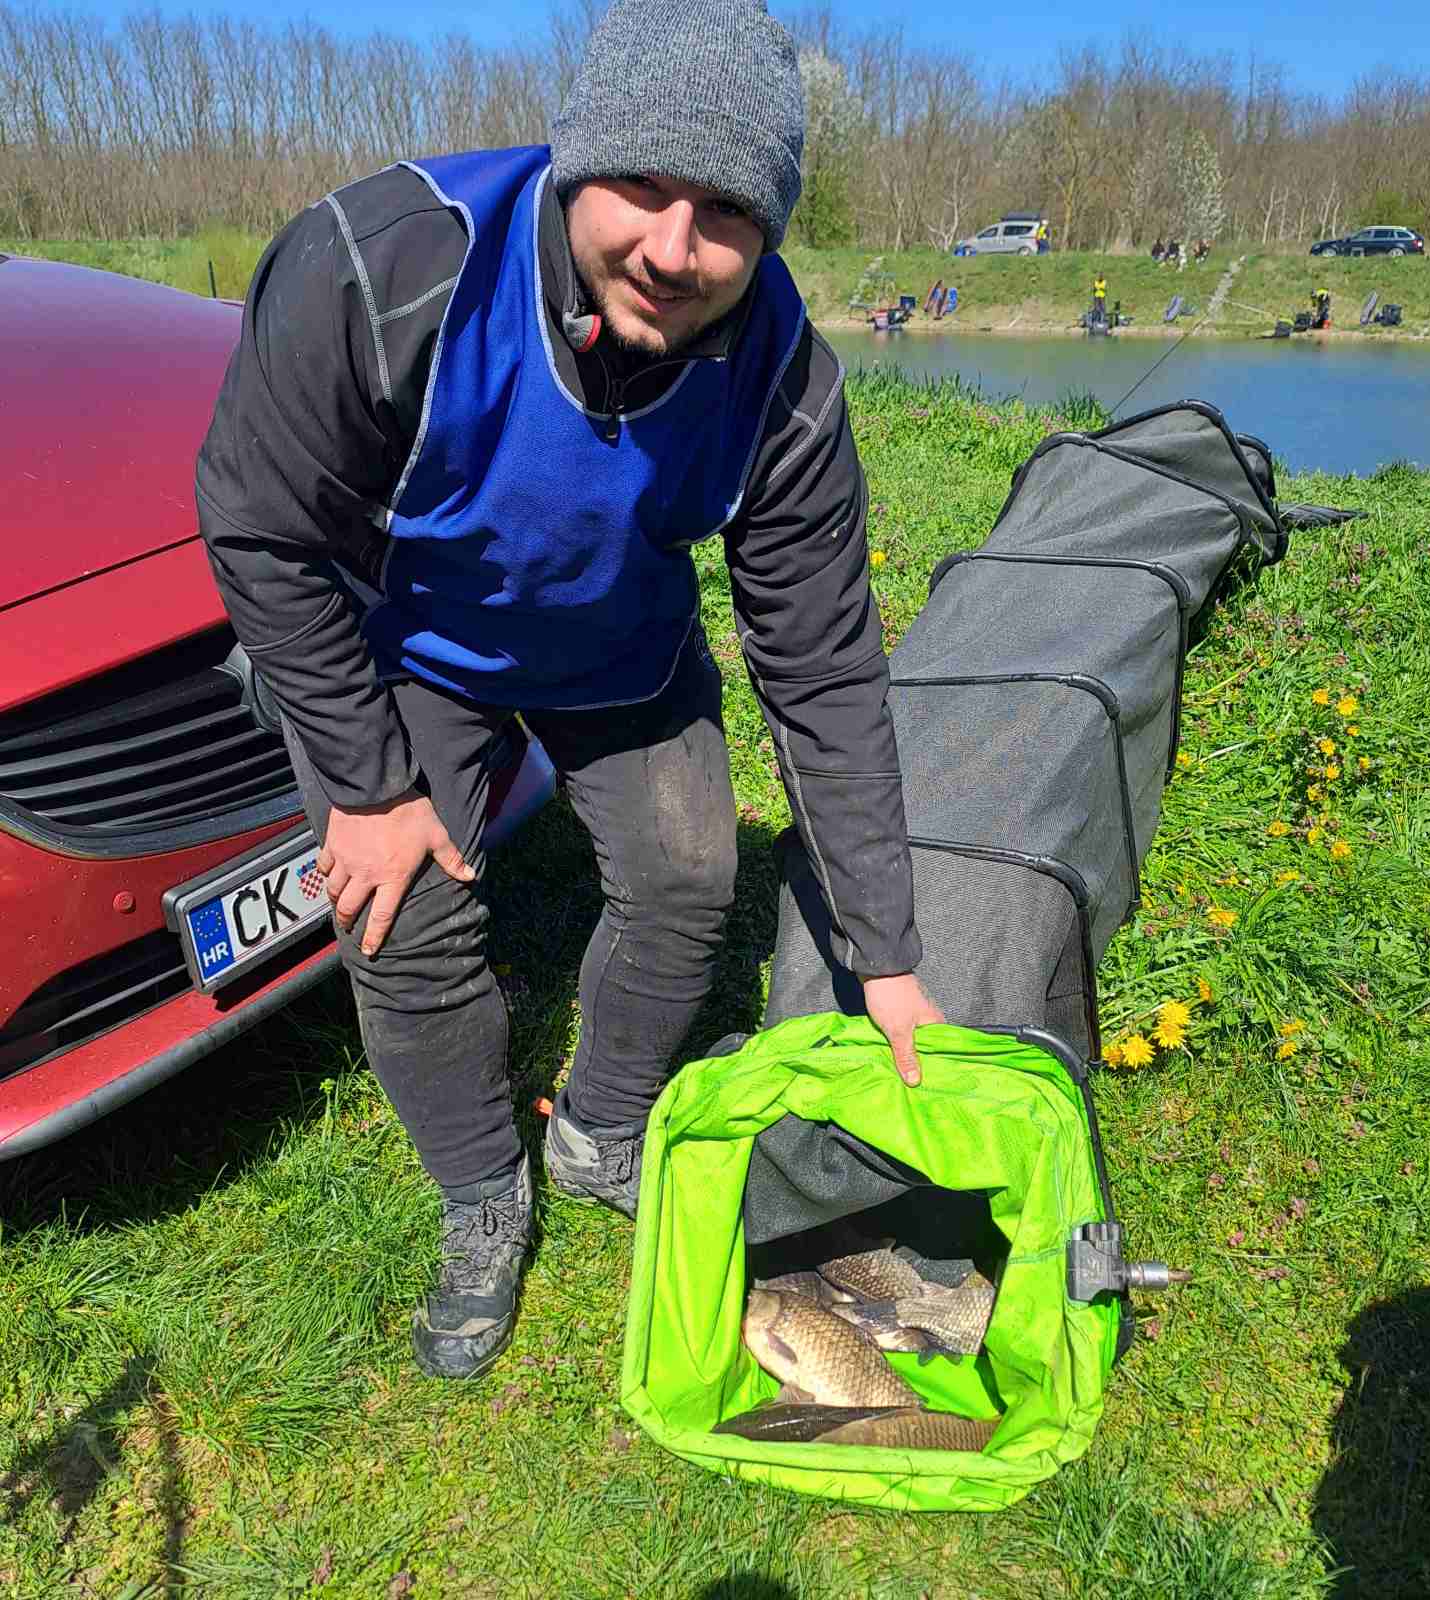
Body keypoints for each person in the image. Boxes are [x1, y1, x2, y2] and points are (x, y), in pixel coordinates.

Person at [195, 0, 942, 1381]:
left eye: (726, 211)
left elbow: (823, 662)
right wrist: (367, 785)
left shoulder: (781, 370)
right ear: (573, 162)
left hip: (619, 642)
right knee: (400, 915)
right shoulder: (383, 265)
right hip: (409, 640)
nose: (674, 247)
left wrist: (886, 953)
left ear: (772, 230)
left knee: (686, 876)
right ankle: (485, 1188)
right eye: (643, 187)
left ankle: (601, 1130)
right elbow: (256, 524)